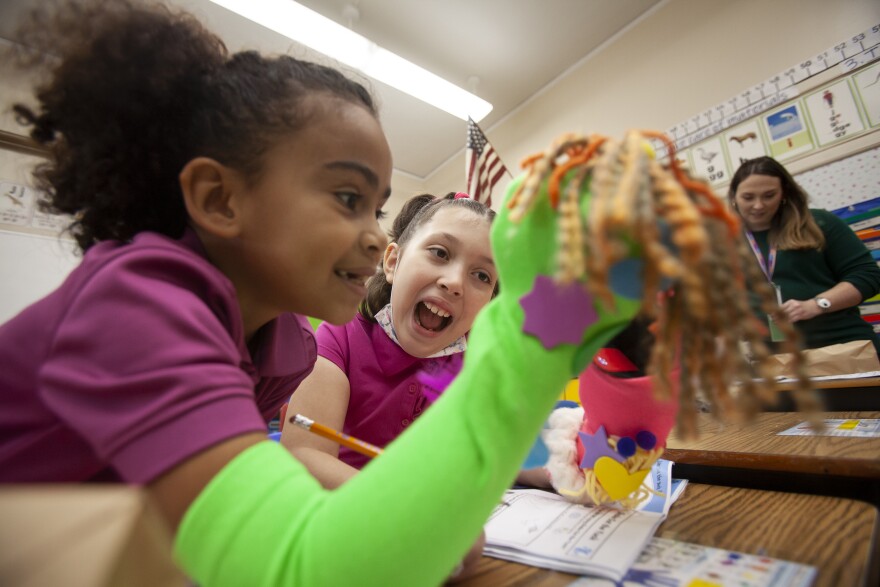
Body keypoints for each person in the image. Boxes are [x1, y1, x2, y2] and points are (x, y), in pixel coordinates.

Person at [0, 2, 647, 586]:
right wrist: (536, 333)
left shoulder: (280, 344)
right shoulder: (140, 306)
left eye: (375, 208)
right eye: (346, 197)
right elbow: (300, 564)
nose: (371, 236)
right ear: (221, 198)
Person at [281, 192, 497, 481]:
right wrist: (406, 509)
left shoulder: (472, 366)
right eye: (440, 253)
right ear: (393, 262)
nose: (455, 282)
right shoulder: (340, 336)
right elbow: (303, 454)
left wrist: (558, 468)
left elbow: (491, 451)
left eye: (482, 275)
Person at [729, 156, 880, 357]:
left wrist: (817, 305)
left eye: (769, 195)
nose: (758, 205)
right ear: (734, 197)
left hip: (841, 348)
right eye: (748, 197)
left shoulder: (819, 223)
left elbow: (868, 276)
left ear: (784, 193)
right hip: (774, 359)